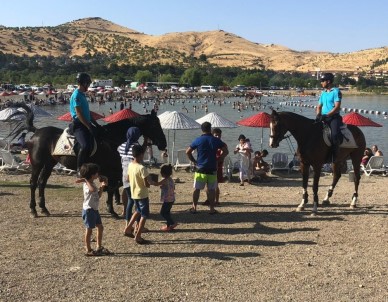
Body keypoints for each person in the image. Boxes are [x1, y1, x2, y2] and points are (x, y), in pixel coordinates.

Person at [186, 122, 228, 214]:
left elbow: (188, 152)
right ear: (210, 129)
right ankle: (212, 209)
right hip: (212, 168)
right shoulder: (215, 140)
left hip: (200, 168)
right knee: (211, 189)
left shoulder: (198, 140)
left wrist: (194, 161)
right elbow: (226, 151)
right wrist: (219, 159)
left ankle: (194, 207)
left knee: (197, 189)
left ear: (202, 129)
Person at [78, 163, 112, 256]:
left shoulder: (92, 183)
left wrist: (102, 187)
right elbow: (92, 190)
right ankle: (88, 249)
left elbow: (98, 195)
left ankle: (99, 246)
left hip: (94, 209)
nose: (98, 174)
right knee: (89, 230)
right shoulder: (87, 184)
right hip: (89, 210)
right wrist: (85, 179)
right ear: (92, 175)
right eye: (96, 173)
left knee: (100, 227)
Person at [123, 145, 155, 244]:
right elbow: (146, 184)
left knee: (137, 211)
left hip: (134, 193)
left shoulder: (130, 165)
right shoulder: (142, 168)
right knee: (144, 215)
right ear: (141, 154)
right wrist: (152, 182)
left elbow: (128, 179)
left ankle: (128, 228)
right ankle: (138, 236)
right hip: (142, 194)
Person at [69, 72, 94, 176]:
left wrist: (94, 123)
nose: (88, 86)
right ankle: (79, 169)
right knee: (85, 145)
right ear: (83, 83)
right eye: (88, 84)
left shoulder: (82, 95)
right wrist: (88, 126)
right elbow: (79, 113)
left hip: (86, 123)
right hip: (79, 125)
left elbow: (86, 112)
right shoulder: (76, 95)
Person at [316, 72, 343, 162]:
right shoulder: (323, 93)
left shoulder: (336, 91)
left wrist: (327, 115)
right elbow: (319, 106)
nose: (321, 83)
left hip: (333, 118)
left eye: (322, 81)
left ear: (328, 81)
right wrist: (318, 115)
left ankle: (335, 155)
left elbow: (337, 107)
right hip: (323, 117)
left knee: (334, 135)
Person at [117, 127, 141, 221]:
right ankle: (137, 224)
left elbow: (120, 152)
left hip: (125, 177)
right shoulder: (137, 148)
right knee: (137, 202)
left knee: (130, 201)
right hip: (134, 178)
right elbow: (139, 161)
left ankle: (127, 219)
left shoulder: (121, 146)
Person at [203, 128, 226, 206]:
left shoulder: (222, 144)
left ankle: (217, 200)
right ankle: (208, 199)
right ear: (212, 135)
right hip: (209, 165)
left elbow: (224, 153)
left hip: (218, 166)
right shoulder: (211, 142)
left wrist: (217, 159)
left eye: (219, 135)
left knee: (215, 184)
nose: (218, 137)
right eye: (216, 135)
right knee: (207, 184)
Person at [155, 164, 177, 231]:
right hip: (171, 199)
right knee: (167, 213)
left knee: (162, 213)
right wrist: (164, 187)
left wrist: (150, 181)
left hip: (167, 200)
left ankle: (172, 223)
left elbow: (157, 184)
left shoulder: (164, 180)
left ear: (163, 173)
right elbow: (173, 187)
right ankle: (168, 226)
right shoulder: (171, 179)